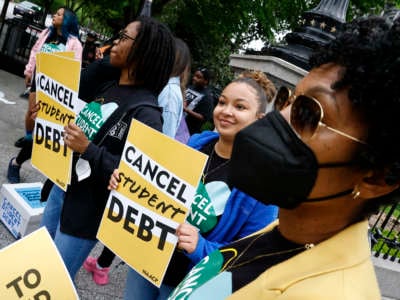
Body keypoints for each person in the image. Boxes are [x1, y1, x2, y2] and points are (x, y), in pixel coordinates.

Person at [168, 16, 400, 299]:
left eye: (309, 113)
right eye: (287, 101)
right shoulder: (285, 229)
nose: (281, 119)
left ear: (376, 176)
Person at [108, 70, 279, 299]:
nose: (226, 111)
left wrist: (200, 247)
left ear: (259, 119)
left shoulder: (263, 186)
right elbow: (157, 189)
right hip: (147, 259)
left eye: (240, 107)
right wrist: (127, 183)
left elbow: (250, 255)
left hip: (189, 283)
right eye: (222, 102)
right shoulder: (195, 145)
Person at [39, 16, 175, 281]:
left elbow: (136, 181)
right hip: (62, 190)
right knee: (41, 266)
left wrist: (89, 149)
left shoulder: (147, 113)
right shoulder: (109, 84)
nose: (114, 43)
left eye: (123, 38)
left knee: (54, 281)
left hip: (85, 215)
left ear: (143, 49)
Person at [82, 37, 192, 286]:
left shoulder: (170, 93)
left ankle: (104, 265)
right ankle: (102, 263)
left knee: (125, 217)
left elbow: (163, 139)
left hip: (144, 166)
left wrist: (145, 164)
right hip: (128, 162)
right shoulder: (157, 87)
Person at [7, 7, 82, 183]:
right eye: (55, 13)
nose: (54, 16)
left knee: (43, 124)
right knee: (32, 113)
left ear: (67, 20)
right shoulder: (46, 34)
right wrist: (29, 70)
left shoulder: (74, 43)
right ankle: (27, 138)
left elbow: (74, 70)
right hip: (38, 82)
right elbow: (34, 52)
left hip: (56, 91)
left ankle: (18, 159)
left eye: (59, 14)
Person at [184, 67, 214, 135]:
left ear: (206, 81)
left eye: (198, 77)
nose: (194, 78)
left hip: (187, 130)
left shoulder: (207, 97)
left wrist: (187, 110)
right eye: (195, 75)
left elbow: (204, 117)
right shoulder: (190, 87)